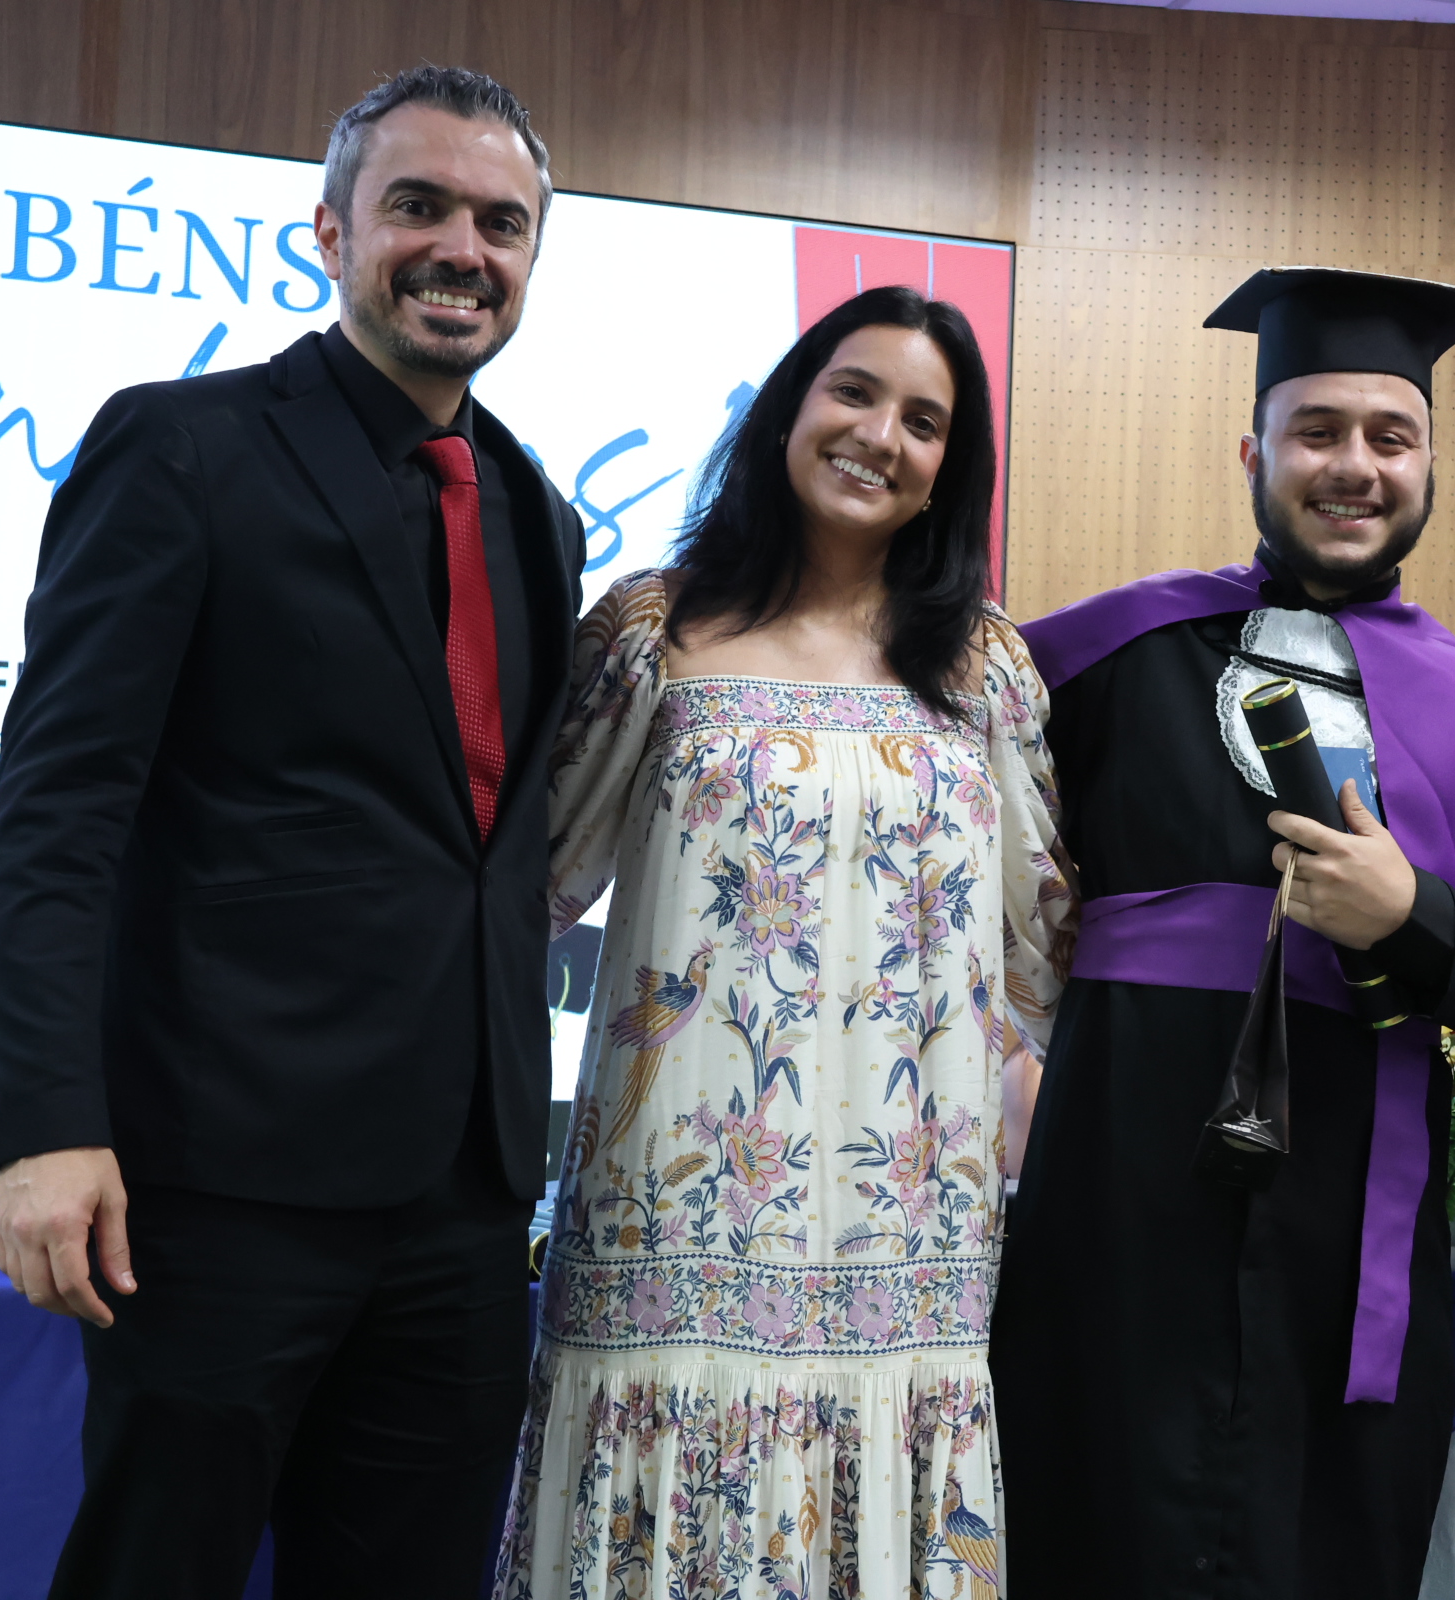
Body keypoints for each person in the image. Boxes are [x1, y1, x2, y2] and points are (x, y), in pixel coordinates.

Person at [0, 67, 584, 1599]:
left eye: (501, 222)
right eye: (419, 206)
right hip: (217, 1188)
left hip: (467, 1199)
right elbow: (60, 810)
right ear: (329, 230)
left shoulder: (535, 511)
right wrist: (45, 1126)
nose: (462, 249)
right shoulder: (182, 449)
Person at [993, 267, 1455, 1600]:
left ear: (1429, 465)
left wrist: (1409, 916)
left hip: (1344, 1232)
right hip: (1117, 1210)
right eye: (1317, 430)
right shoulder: (1108, 655)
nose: (1354, 465)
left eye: (1392, 436)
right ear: (1254, 452)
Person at [495, 285, 1070, 1600]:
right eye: (853, 392)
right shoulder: (655, 634)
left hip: (908, 1245)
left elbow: (1050, 938)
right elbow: (523, 889)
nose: (879, 435)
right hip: (669, 1225)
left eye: (923, 420)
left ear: (950, 468)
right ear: (787, 410)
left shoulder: (984, 669)